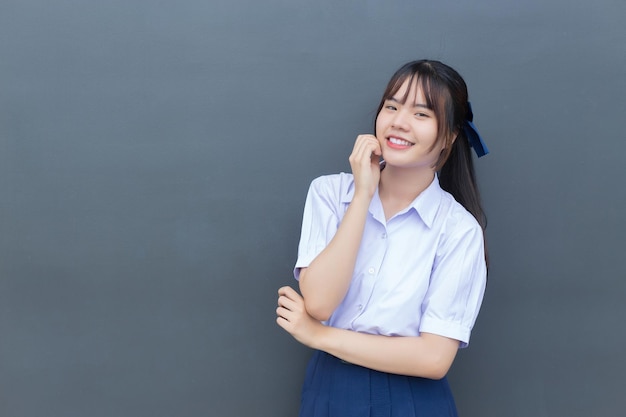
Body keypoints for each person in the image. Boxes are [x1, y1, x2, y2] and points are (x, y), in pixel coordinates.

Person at [276, 59, 489, 417]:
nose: (399, 122)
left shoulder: (459, 230)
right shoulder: (330, 194)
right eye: (391, 106)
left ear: (449, 136)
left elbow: (435, 358)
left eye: (421, 114)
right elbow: (320, 304)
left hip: (413, 398)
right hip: (330, 389)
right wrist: (362, 194)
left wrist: (317, 336)